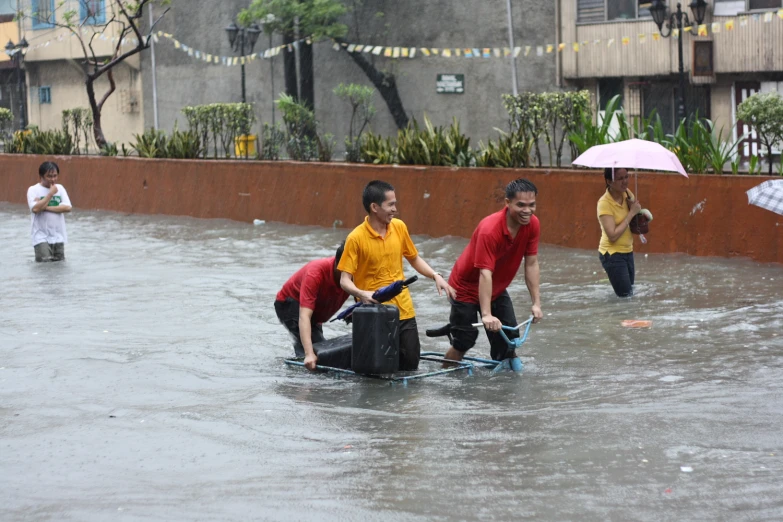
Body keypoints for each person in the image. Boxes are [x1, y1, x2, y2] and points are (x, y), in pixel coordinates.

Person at [338, 180, 455, 371]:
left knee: (410, 362)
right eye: (390, 204)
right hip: (374, 313)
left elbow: (414, 258)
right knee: (378, 369)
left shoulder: (399, 227)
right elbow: (344, 280)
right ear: (374, 207)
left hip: (403, 308)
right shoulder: (356, 238)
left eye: (395, 203)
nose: (395, 209)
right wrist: (363, 293)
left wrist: (435, 275)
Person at [443, 178, 543, 363]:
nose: (527, 211)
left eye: (532, 205)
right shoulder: (490, 230)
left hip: (495, 288)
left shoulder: (532, 224)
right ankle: (446, 372)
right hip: (465, 288)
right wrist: (487, 314)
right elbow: (485, 273)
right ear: (507, 203)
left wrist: (536, 303)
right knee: (464, 341)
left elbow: (531, 264)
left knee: (510, 340)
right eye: (521, 205)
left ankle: (504, 386)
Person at [275, 242, 350, 371]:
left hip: (315, 311)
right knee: (314, 353)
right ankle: (298, 374)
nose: (353, 276)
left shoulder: (358, 273)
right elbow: (304, 316)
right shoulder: (315, 273)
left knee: (321, 346)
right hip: (289, 304)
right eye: (348, 271)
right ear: (339, 265)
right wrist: (309, 354)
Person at [597, 167, 642, 297]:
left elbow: (634, 219)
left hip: (628, 251)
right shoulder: (604, 203)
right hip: (612, 255)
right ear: (609, 181)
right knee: (626, 297)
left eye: (626, 177)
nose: (625, 182)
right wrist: (631, 213)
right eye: (620, 178)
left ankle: (626, 317)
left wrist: (638, 213)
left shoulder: (627, 193)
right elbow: (612, 235)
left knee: (628, 294)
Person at [27, 161, 72, 262]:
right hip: (40, 237)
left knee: (59, 268)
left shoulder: (60, 189)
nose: (53, 179)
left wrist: (45, 207)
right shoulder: (33, 190)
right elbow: (35, 209)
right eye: (49, 176)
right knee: (44, 266)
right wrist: (50, 194)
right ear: (41, 176)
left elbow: (68, 208)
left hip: (58, 237)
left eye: (55, 176)